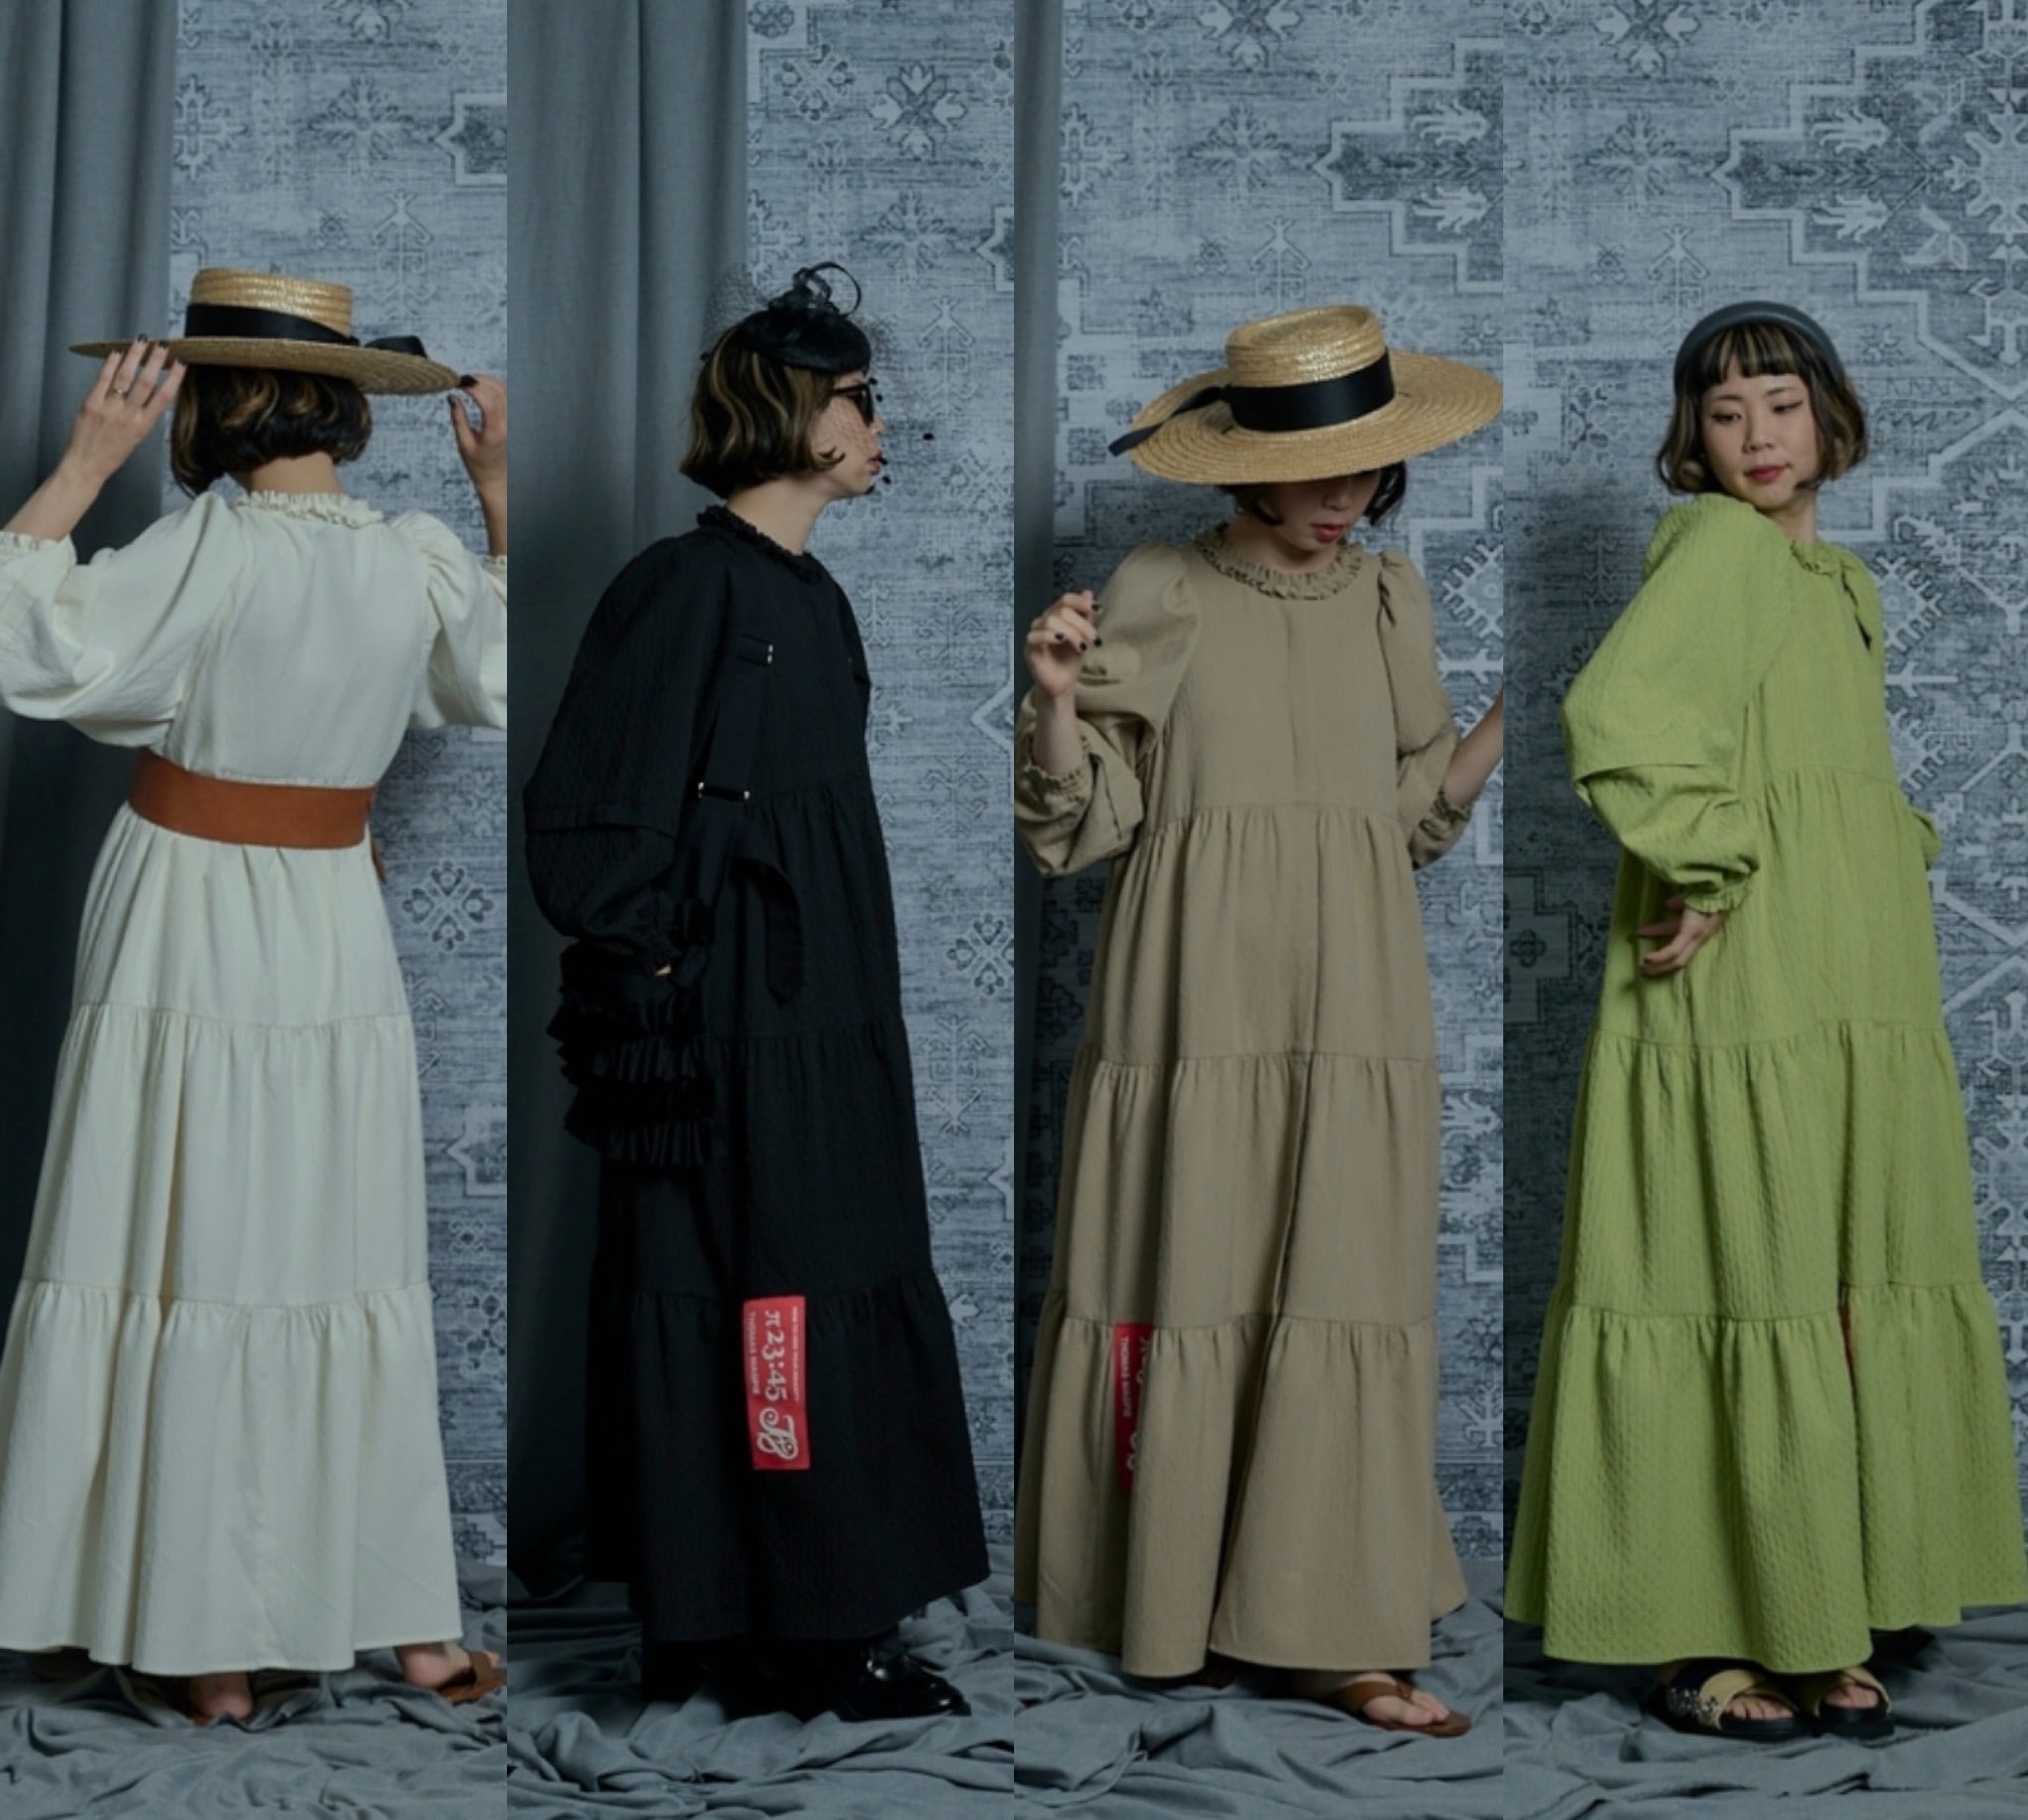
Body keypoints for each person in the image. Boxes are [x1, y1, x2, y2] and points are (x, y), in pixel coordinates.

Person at [1507, 302, 2028, 1740]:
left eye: (1782, 406)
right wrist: (1707, 865)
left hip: (1852, 975)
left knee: (1832, 1272)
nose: (1756, 437)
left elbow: (1829, 766)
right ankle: (1697, 1637)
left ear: (1830, 416)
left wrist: (1878, 858)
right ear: (1695, 435)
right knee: (1730, 1260)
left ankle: (1820, 1618)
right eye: (1726, 413)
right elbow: (1619, 715)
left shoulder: (1838, 581)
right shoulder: (1721, 549)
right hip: (1743, 974)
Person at [0, 267, 509, 1724]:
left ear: (207, 405)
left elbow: (34, 643)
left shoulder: (207, 547)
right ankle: (408, 1625)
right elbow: (494, 674)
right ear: (344, 407)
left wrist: (81, 466)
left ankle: (203, 1641)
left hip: (188, 905)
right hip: (332, 913)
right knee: (331, 1243)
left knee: (179, 1232)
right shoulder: (414, 556)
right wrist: (497, 497)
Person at [1014, 303, 1503, 1734]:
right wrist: (1054, 700)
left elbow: (1409, 816)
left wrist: (1511, 726)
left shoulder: (1390, 597)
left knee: (1341, 1281)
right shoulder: (1163, 586)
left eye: (1369, 464)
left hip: (1355, 984)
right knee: (1190, 1268)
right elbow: (1085, 821)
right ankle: (1168, 1603)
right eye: (1317, 467)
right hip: (1195, 983)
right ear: (1246, 464)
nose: (1348, 493)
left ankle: (1330, 1628)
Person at [523, 264, 988, 1723]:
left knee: (809, 1274)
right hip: (732, 1022)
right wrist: (670, 965)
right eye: (860, 398)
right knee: (745, 1287)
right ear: (799, 414)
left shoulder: (810, 594)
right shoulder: (683, 585)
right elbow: (591, 800)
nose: (880, 423)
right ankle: (760, 1629)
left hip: (826, 1010)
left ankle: (777, 1613)